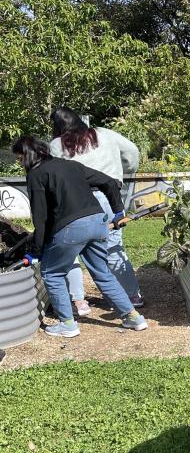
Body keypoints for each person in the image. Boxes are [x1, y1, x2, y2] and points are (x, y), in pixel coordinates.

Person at [12, 136, 148, 337]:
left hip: (71, 228)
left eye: (19, 158)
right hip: (97, 221)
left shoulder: (36, 174)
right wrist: (118, 211)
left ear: (28, 154)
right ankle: (134, 318)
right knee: (103, 273)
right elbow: (110, 182)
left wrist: (36, 251)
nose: (19, 162)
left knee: (52, 273)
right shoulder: (71, 165)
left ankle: (67, 324)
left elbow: (40, 218)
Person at [49, 107, 143, 315]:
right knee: (113, 246)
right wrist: (124, 170)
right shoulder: (105, 134)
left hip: (79, 200)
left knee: (71, 248)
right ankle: (131, 295)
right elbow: (132, 152)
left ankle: (78, 301)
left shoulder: (57, 145)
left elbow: (56, 175)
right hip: (111, 198)